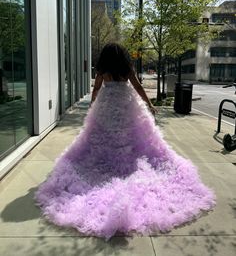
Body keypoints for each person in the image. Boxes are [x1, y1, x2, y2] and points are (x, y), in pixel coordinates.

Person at [35, 42, 215, 240]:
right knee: (131, 137)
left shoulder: (102, 69)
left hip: (106, 105)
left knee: (101, 138)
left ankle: (107, 162)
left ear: (105, 57)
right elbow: (137, 86)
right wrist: (149, 104)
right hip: (126, 103)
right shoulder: (126, 68)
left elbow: (95, 89)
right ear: (123, 56)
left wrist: (94, 106)